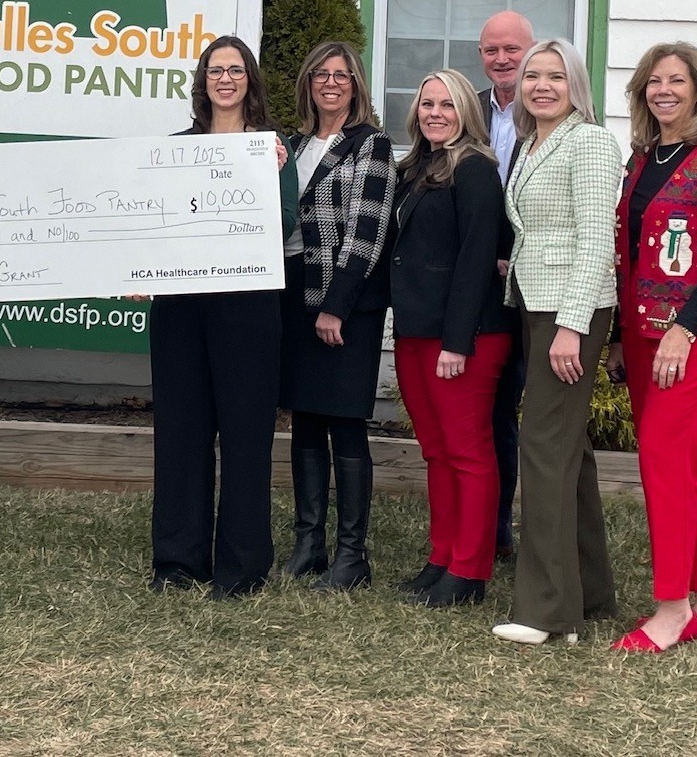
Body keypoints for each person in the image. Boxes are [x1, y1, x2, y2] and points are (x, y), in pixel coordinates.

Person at [606, 43, 697, 653]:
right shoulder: (643, 158)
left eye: (677, 81)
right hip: (643, 334)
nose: (663, 90)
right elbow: (631, 252)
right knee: (681, 463)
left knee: (663, 459)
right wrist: (619, 337)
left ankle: (673, 609)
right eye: (654, 81)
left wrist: (683, 329)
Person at [149, 35, 298, 600]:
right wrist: (139, 268)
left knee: (245, 435)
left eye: (236, 70)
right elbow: (153, 221)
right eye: (216, 70)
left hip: (248, 307)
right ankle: (178, 561)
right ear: (203, 81)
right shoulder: (175, 149)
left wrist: (267, 175)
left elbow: (286, 222)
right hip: (181, 309)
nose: (226, 79)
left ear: (249, 80)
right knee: (181, 433)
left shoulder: (272, 148)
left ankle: (241, 568)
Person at [491, 39, 619, 646]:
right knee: (570, 448)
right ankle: (588, 592)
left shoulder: (589, 142)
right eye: (532, 76)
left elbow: (595, 240)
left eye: (556, 76)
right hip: (535, 302)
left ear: (576, 86)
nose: (542, 86)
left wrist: (571, 325)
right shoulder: (531, 142)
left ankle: (546, 611)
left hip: (571, 311)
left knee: (543, 444)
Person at [389, 69, 510, 607]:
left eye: (447, 104)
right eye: (427, 104)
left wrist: (457, 342)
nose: (435, 113)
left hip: (465, 335)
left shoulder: (476, 168)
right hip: (416, 328)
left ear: (466, 112)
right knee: (436, 452)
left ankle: (469, 571)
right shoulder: (416, 167)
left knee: (467, 452)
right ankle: (441, 558)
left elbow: (477, 256)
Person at [280, 41, 395, 592]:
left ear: (356, 85)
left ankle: (352, 555)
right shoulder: (294, 145)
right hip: (295, 295)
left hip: (345, 304)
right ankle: (309, 544)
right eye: (321, 74)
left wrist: (335, 307)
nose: (331, 83)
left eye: (342, 75)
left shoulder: (370, 144)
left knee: (345, 422)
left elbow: (367, 232)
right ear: (309, 83)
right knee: (305, 418)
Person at [476, 10, 535, 560]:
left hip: (524, 283)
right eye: (492, 50)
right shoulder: (466, 108)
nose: (502, 59)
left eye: (512, 49)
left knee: (507, 409)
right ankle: (476, 521)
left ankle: (501, 530)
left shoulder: (548, 112)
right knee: (477, 406)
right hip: (472, 282)